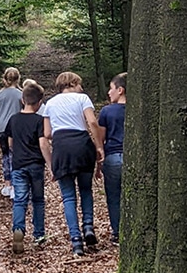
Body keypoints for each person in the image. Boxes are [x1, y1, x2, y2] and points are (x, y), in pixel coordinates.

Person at [42, 72, 104, 256]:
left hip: (62, 148)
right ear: (73, 83)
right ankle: (88, 227)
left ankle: (75, 240)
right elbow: (92, 121)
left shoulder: (50, 104)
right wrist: (99, 145)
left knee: (68, 196)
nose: (82, 88)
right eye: (80, 84)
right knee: (86, 190)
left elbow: (47, 133)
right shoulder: (82, 98)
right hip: (82, 145)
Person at [7, 80, 52, 253]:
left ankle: (18, 229)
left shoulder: (14, 119)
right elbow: (43, 144)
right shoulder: (39, 120)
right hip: (35, 165)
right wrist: (50, 164)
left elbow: (10, 142)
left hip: (18, 165)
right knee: (38, 200)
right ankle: (39, 234)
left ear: (22, 100)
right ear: (39, 102)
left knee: (20, 199)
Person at [97, 72, 126, 245]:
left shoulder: (107, 111)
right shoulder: (139, 110)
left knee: (114, 196)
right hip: (134, 158)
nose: (109, 93)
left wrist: (99, 161)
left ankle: (117, 232)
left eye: (111, 88)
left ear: (120, 90)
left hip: (113, 157)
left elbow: (101, 138)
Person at [0, 67, 23, 200]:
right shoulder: (20, 94)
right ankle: (16, 186)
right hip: (16, 128)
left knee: (5, 155)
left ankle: (7, 184)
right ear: (18, 78)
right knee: (15, 156)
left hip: (1, 128)